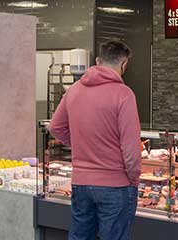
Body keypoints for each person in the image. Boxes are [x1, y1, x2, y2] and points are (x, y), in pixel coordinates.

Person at [49, 41, 141, 240]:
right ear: (124, 63)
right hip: (116, 184)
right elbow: (131, 146)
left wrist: (80, 145)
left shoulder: (73, 90)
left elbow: (55, 127)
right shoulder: (123, 94)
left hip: (81, 183)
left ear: (98, 61)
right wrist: (133, 178)